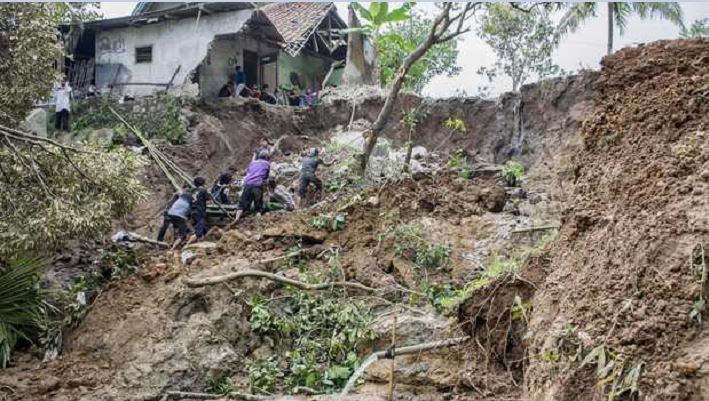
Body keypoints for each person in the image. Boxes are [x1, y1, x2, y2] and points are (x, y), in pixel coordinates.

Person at [232, 150, 270, 223]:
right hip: (257, 185)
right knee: (258, 206)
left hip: (248, 184)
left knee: (242, 204)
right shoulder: (267, 163)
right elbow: (266, 177)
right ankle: (258, 222)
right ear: (267, 157)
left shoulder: (252, 163)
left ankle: (236, 219)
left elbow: (248, 172)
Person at [190, 176, 209, 242]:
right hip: (200, 210)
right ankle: (189, 242)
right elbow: (208, 198)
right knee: (199, 230)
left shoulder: (192, 190)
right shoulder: (203, 190)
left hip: (192, 209)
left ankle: (203, 237)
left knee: (200, 225)